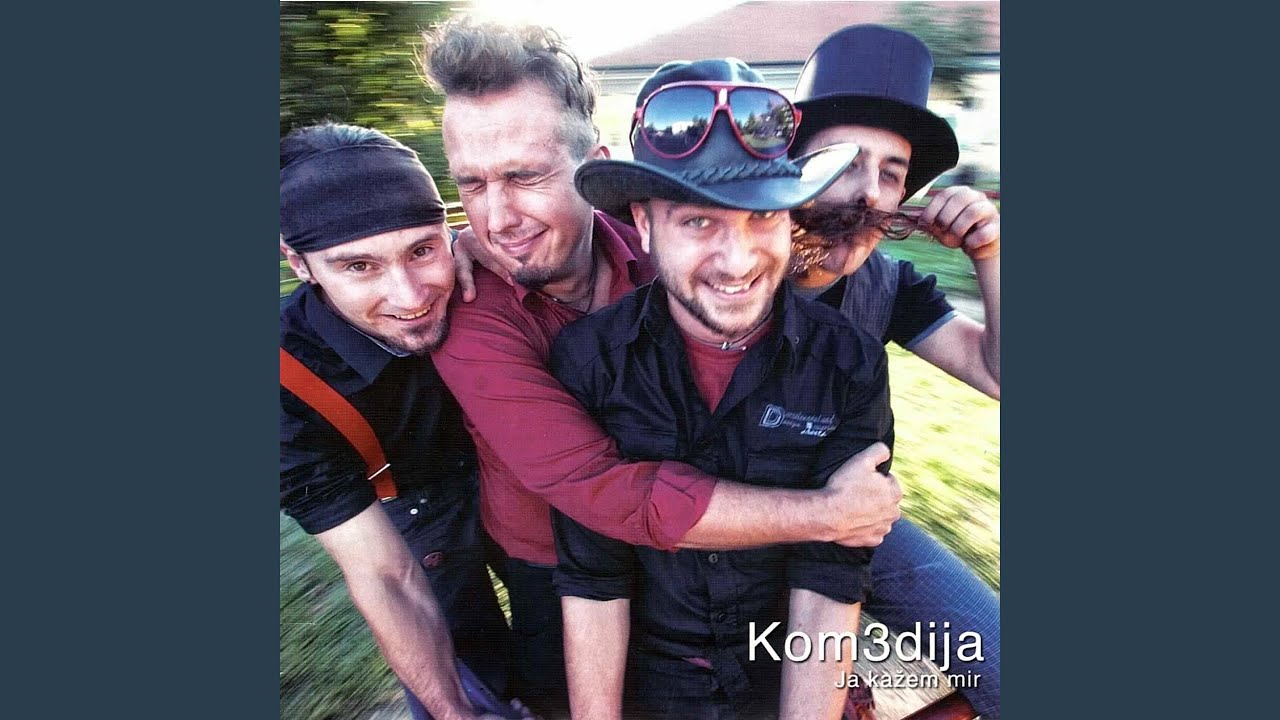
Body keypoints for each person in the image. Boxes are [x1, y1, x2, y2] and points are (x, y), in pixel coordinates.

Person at [420, 18, 900, 714]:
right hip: (564, 577)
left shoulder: (838, 353)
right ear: (647, 222)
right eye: (472, 184)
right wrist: (829, 514)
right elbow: (601, 502)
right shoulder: (484, 318)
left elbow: (829, 577)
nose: (497, 220)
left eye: (524, 176)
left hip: (763, 588)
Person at [550, 57, 890, 720]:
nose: (737, 261)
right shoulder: (589, 363)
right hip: (651, 681)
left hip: (785, 672)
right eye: (698, 222)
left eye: (761, 217)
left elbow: (829, 576)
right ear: (645, 224)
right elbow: (593, 579)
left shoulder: (851, 363)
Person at [786, 25, 1002, 719]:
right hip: (732, 537)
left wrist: (990, 253)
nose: (867, 193)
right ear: (791, 163)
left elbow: (998, 374)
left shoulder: (888, 286)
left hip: (862, 531)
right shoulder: (726, 272)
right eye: (842, 161)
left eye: (890, 172)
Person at [278, 123, 517, 720]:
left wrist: (483, 250)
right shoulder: (283, 380)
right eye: (359, 266)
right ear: (300, 264)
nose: (410, 296)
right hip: (405, 504)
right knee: (465, 674)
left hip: (513, 470)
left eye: (422, 250)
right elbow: (386, 576)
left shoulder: (487, 267)